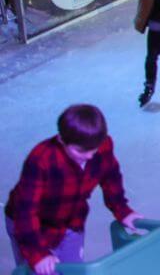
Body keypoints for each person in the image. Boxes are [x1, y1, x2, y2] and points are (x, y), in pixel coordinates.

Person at [5, 105, 143, 274]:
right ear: (62, 140)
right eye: (81, 151)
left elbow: (111, 177)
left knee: (73, 270)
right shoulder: (42, 160)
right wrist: (38, 254)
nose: (90, 156)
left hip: (71, 222)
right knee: (39, 270)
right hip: (30, 226)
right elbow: (25, 213)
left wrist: (123, 211)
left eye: (95, 149)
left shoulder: (102, 145)